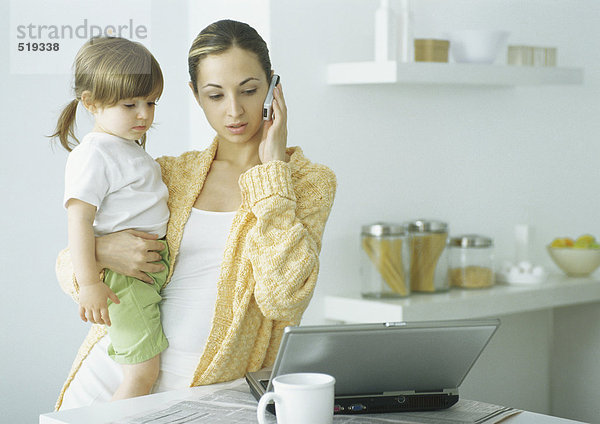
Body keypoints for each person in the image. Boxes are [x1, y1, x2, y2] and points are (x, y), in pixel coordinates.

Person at [54, 19, 336, 411]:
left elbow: (283, 299)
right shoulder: (171, 172)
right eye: (215, 95)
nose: (234, 111)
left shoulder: (306, 182)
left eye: (250, 90)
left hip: (207, 396)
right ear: (195, 95)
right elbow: (67, 265)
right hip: (113, 379)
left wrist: (272, 173)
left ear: (274, 88)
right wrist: (104, 251)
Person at [52, 37, 170, 401]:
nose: (144, 114)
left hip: (144, 273)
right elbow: (79, 222)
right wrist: (88, 284)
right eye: (129, 104)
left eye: (151, 102)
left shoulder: (126, 147)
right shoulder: (94, 154)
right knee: (142, 374)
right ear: (91, 103)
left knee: (144, 370)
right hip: (125, 281)